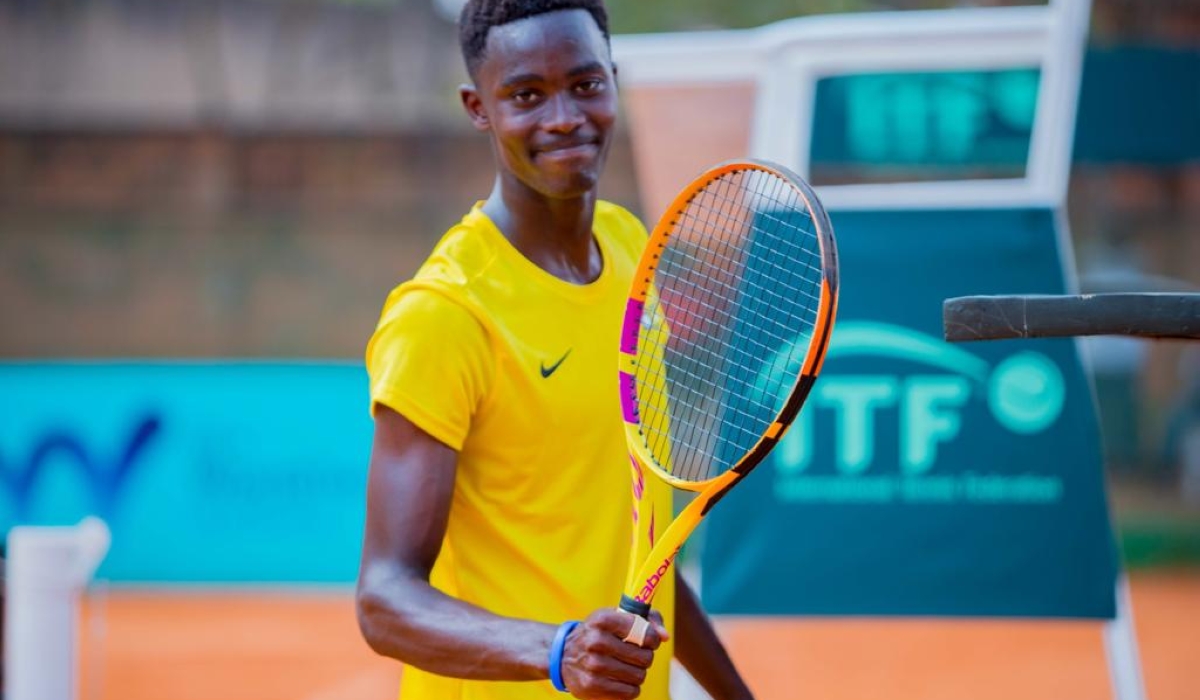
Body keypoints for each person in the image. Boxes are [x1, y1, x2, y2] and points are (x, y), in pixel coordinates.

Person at [355, 1, 753, 698]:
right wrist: (559, 650)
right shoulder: (445, 315)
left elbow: (644, 558)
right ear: (479, 108)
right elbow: (385, 599)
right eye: (527, 95)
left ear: (613, 82)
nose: (565, 115)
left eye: (585, 84)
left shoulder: (633, 247)